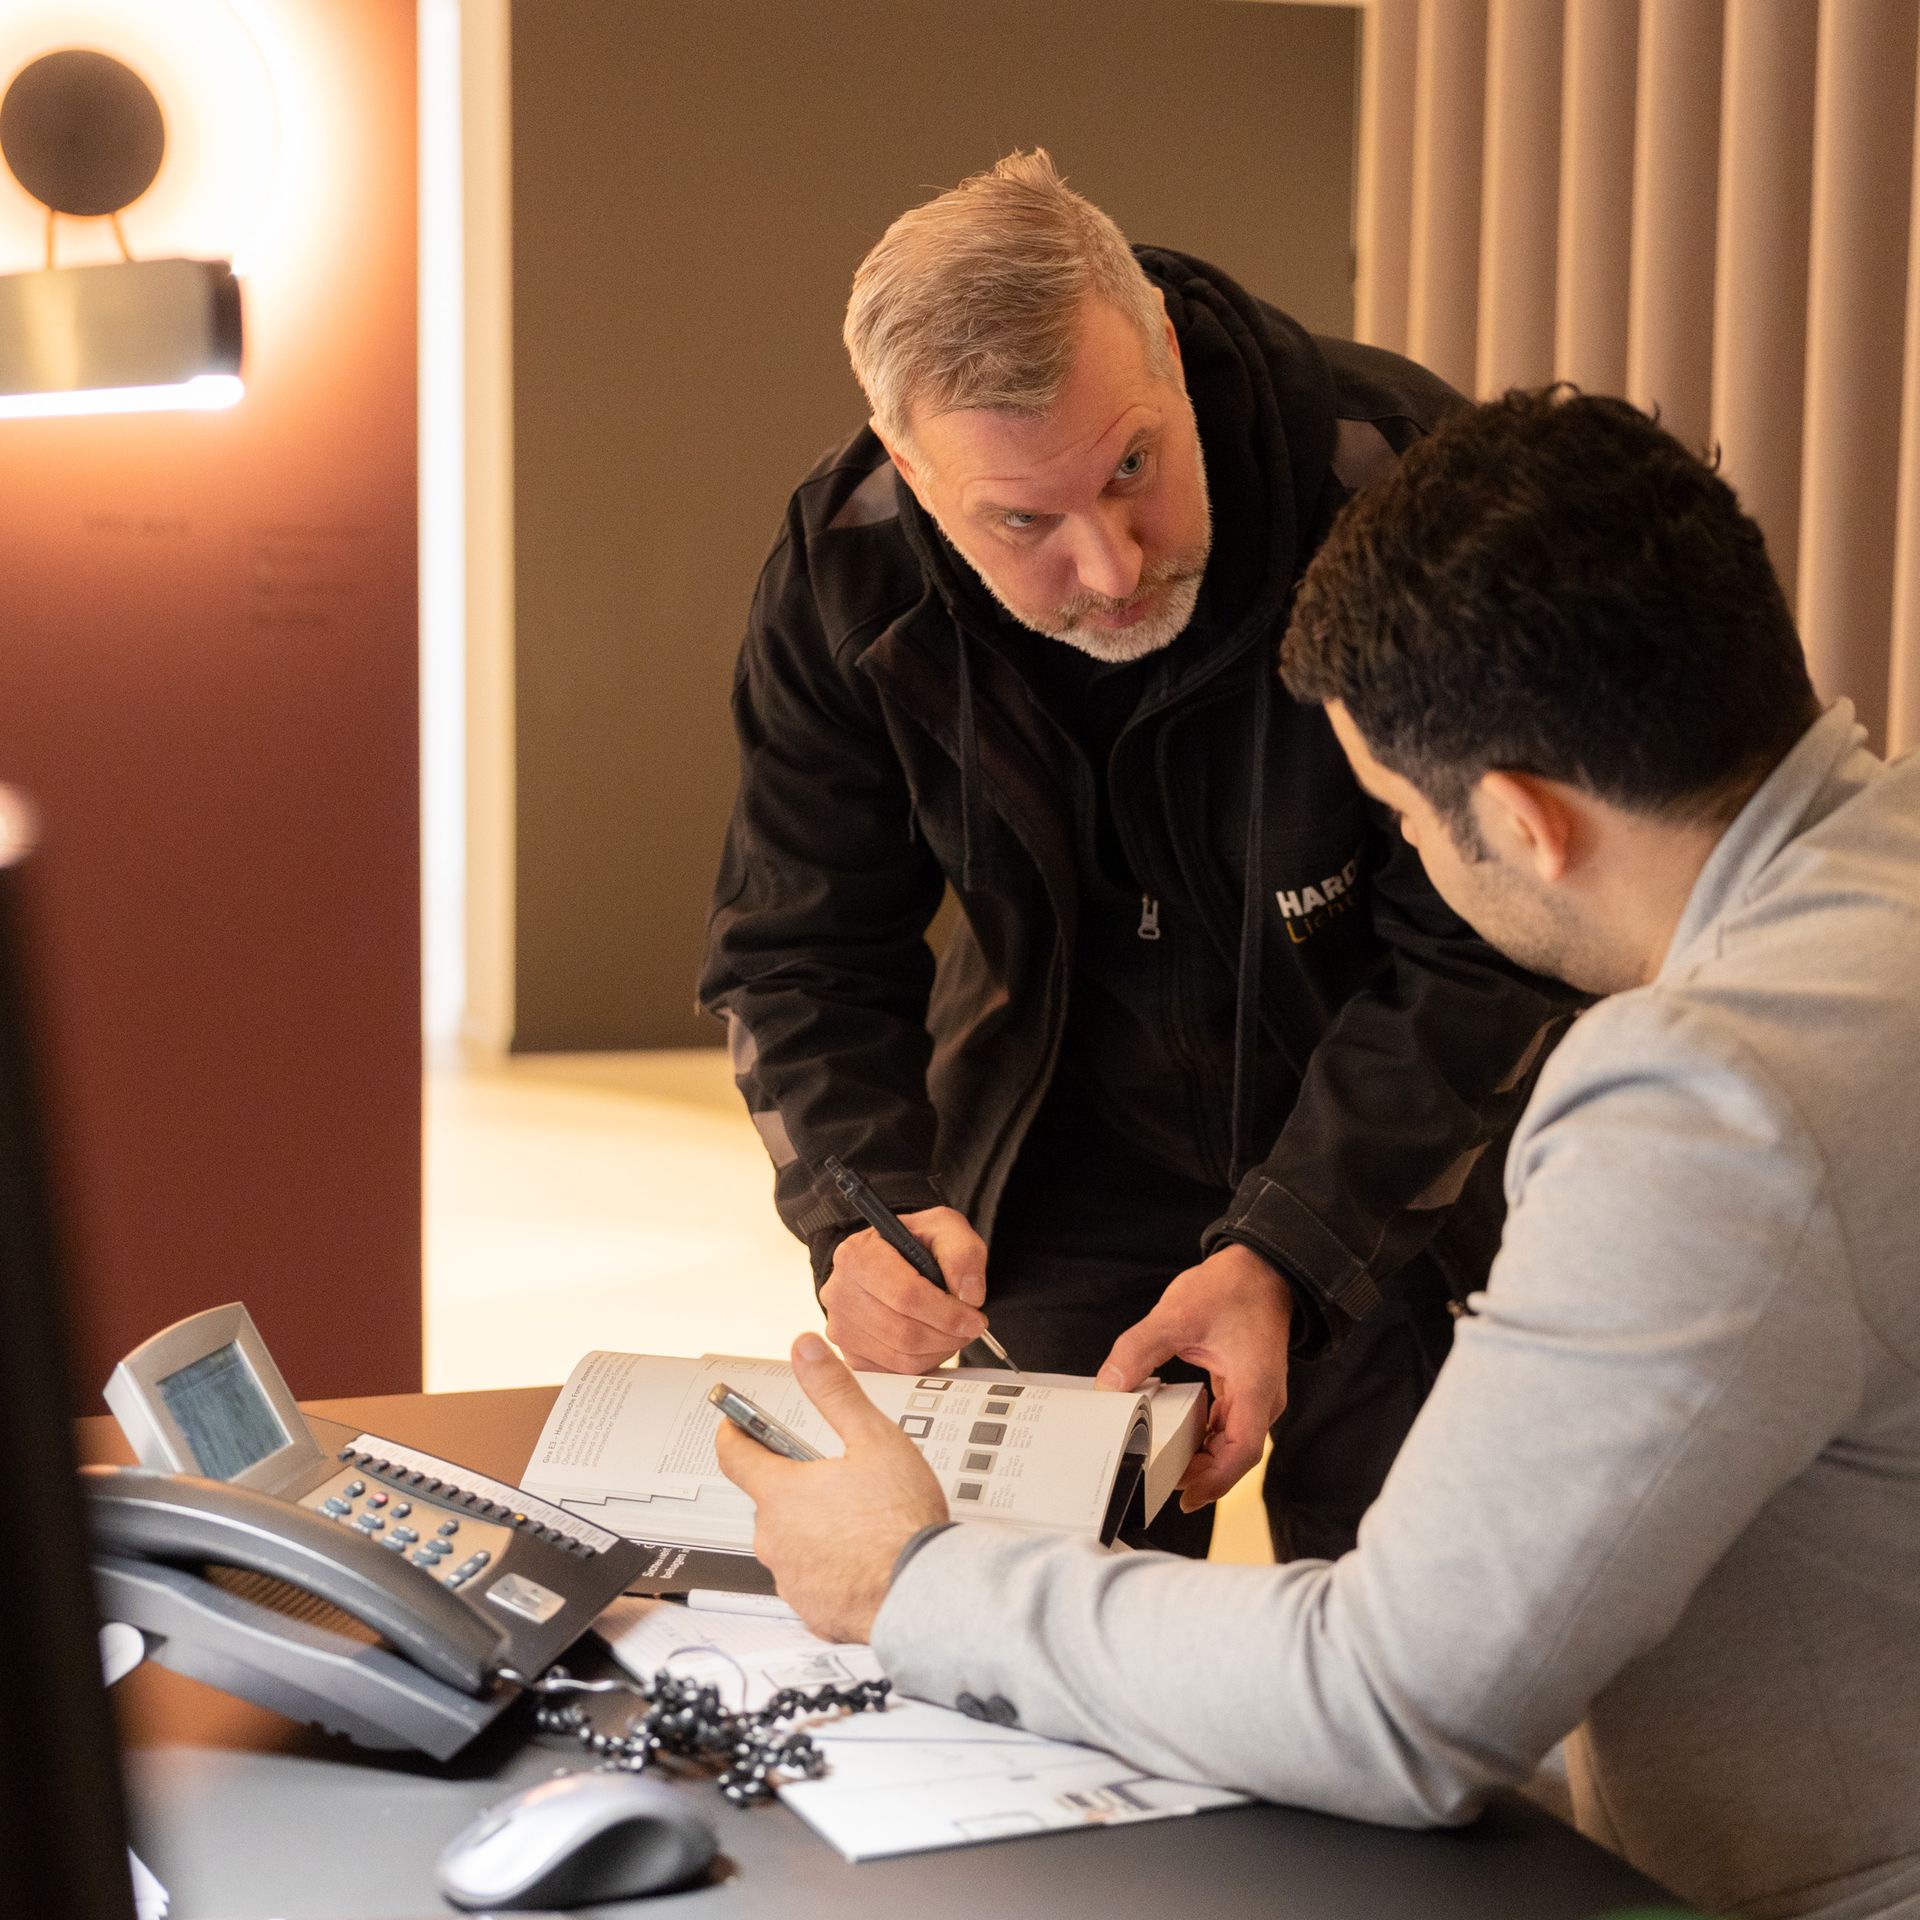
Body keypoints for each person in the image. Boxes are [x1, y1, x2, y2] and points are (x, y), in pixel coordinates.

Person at [715, 389, 1920, 1918]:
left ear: (1524, 822)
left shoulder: (1706, 1101)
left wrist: (912, 1581)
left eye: (1403, 822)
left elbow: (1394, 1703)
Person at [699, 151, 1572, 1558]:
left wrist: (1288, 1248)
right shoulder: (848, 566)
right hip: (1065, 1158)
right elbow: (796, 945)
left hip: (1413, 1155)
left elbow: (1494, 940)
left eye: (1133, 467)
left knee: (1398, 1661)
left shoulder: (1401, 476)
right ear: (915, 473)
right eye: (1021, 522)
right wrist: (861, 1206)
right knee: (1040, 1647)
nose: (1109, 567)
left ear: (1162, 344)